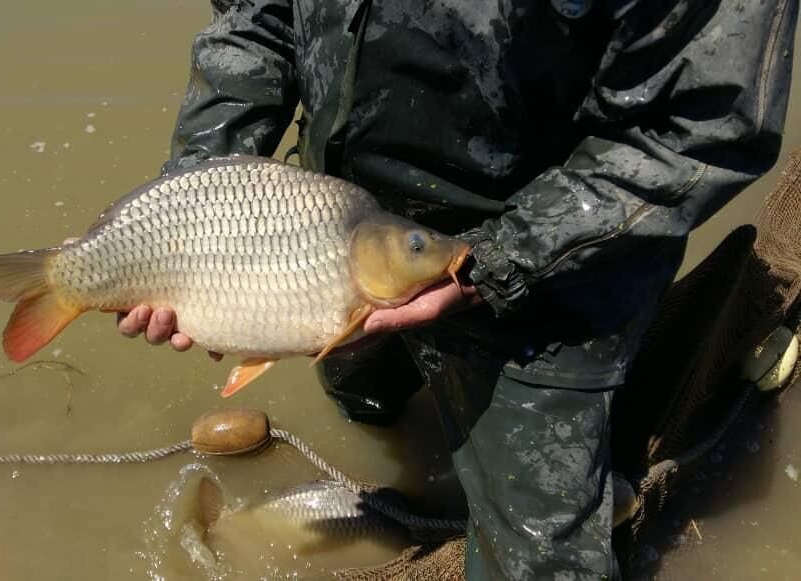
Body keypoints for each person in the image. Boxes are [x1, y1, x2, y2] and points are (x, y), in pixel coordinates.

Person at [119, 1, 798, 578]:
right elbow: (255, 18)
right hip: (330, 241)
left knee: (541, 559)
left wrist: (498, 259)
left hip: (555, 275)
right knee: (361, 404)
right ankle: (386, 418)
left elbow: (702, 123)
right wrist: (193, 212)